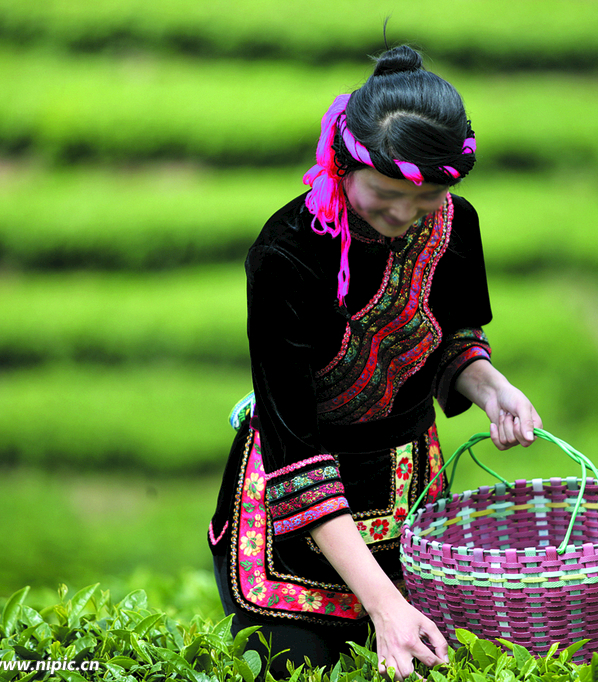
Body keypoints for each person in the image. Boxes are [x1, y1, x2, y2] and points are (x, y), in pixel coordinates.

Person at [208, 45, 542, 678]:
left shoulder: (453, 223)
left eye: (424, 201)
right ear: (341, 161)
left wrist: (492, 387)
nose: (403, 217)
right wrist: (385, 607)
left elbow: (451, 340)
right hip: (298, 515)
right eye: (386, 195)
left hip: (410, 488)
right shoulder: (286, 256)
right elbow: (293, 447)